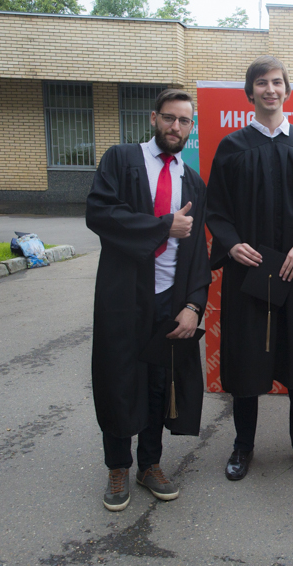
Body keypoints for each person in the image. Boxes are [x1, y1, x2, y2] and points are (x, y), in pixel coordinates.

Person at [206, 55, 293, 482]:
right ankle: (243, 445)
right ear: (250, 93)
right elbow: (216, 209)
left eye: (277, 82)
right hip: (248, 273)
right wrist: (231, 244)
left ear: (287, 90)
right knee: (246, 359)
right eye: (261, 83)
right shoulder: (232, 147)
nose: (270, 89)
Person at [86, 89, 211, 512]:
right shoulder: (121, 160)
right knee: (118, 377)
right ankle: (117, 466)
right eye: (169, 118)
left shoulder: (193, 181)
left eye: (184, 121)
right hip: (123, 295)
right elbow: (99, 213)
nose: (176, 127)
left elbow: (198, 252)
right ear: (154, 118)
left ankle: (150, 463)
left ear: (191, 128)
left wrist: (193, 305)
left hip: (169, 298)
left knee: (160, 383)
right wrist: (162, 226)